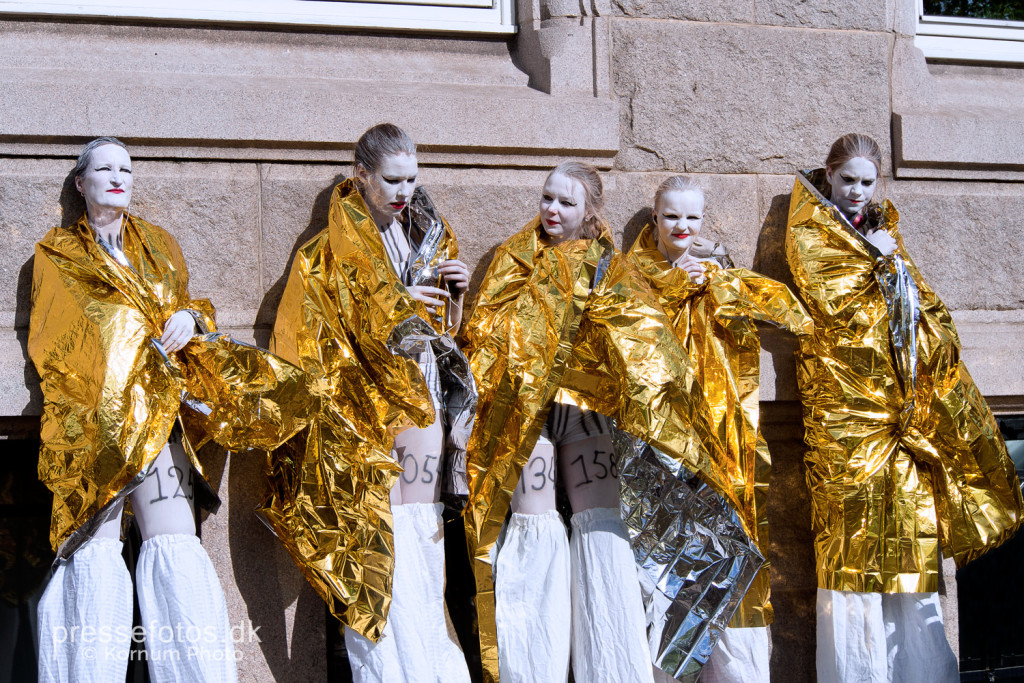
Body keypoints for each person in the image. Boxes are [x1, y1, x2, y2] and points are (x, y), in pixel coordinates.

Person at [30, 137, 311, 682]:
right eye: (104, 168)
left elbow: (186, 304)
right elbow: (58, 339)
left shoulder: (159, 243)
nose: (117, 177)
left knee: (177, 549)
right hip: (99, 428)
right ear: (80, 183)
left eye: (126, 169)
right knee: (94, 563)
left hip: (160, 416)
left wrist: (190, 318)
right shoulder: (56, 253)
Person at [462, 162, 741, 683]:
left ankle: (615, 672)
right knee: (533, 530)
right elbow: (486, 331)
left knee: (601, 535)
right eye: (547, 197)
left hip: (588, 414)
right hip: (527, 416)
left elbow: (645, 338)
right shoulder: (513, 257)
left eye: (566, 203)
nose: (552, 210)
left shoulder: (608, 265)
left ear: (589, 211)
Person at [786, 133, 1023, 683]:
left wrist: (893, 268)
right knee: (852, 560)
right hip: (847, 425)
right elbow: (839, 315)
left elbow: (928, 315)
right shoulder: (813, 236)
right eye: (848, 180)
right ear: (829, 176)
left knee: (909, 553)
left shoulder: (885, 234)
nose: (857, 192)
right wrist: (880, 269)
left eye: (868, 183)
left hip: (903, 426)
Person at [262, 123, 476, 682]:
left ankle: (431, 668)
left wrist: (454, 297)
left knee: (424, 545)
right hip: (372, 407)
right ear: (361, 175)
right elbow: (317, 333)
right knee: (385, 544)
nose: (404, 191)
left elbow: (443, 335)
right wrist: (391, 303)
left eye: (412, 179)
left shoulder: (426, 235)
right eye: (392, 179)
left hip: (422, 391)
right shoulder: (327, 249)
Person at [627, 175, 813, 682]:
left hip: (723, 448)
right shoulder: (631, 278)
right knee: (664, 578)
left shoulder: (717, 272)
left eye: (692, 217)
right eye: (671, 216)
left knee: (732, 573)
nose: (681, 226)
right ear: (654, 217)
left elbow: (790, 314)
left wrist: (723, 268)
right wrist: (669, 289)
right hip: (661, 456)